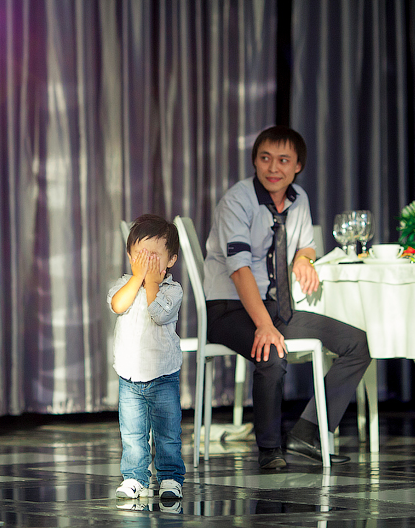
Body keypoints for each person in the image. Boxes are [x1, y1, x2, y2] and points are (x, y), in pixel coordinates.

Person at [203, 125, 371, 469]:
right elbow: (239, 270)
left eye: (283, 160)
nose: (273, 168)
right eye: (265, 158)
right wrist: (264, 326)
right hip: (228, 308)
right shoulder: (237, 200)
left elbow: (305, 245)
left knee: (358, 344)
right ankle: (269, 449)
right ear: (254, 161)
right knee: (271, 354)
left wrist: (303, 259)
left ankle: (308, 433)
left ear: (298, 166)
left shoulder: (299, 199)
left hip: (275, 306)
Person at [108, 214, 186, 500]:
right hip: (129, 376)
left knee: (168, 433)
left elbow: (159, 313)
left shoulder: (172, 290)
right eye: (141, 256)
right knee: (132, 434)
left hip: (163, 375)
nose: (147, 262)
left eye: (154, 256)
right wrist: (138, 278)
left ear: (171, 260)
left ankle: (170, 478)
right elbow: (118, 305)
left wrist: (151, 282)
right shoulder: (124, 284)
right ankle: (134, 477)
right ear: (130, 257)